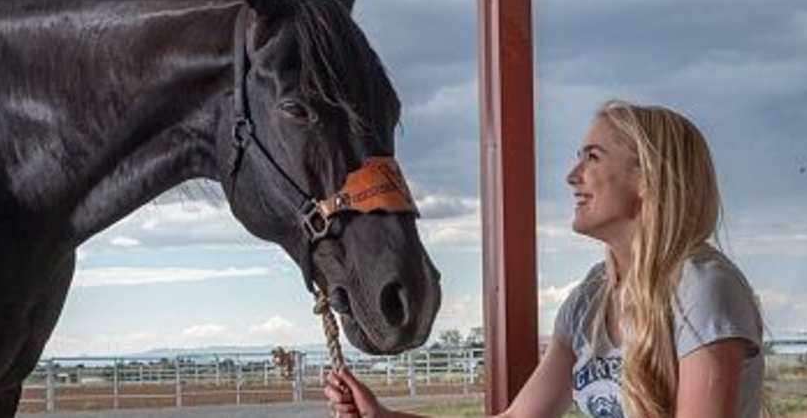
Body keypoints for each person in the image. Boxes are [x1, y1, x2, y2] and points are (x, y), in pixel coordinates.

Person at [325, 100, 766, 418]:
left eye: (593, 158)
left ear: (648, 179)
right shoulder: (590, 299)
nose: (572, 176)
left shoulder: (703, 288)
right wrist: (382, 415)